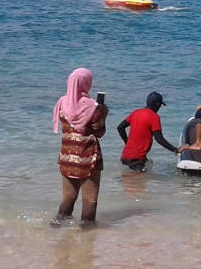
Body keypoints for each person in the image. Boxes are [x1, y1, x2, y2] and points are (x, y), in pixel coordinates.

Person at [53, 68, 108, 223]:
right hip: (87, 158)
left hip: (67, 158)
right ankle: (87, 234)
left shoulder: (62, 103)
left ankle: (57, 229)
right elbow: (99, 132)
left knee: (68, 196)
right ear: (86, 83)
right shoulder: (92, 107)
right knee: (89, 198)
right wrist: (103, 115)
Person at [117, 91, 180, 171]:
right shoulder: (154, 117)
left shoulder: (135, 113)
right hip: (137, 160)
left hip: (125, 156)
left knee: (129, 181)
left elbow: (120, 127)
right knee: (137, 182)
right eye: (160, 105)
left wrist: (127, 142)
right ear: (157, 105)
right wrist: (175, 150)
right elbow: (159, 138)